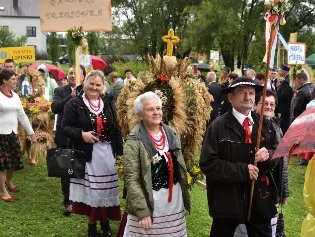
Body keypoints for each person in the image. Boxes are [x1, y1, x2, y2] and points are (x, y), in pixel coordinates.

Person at [200, 76, 278, 237]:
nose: (248, 97)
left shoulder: (265, 124)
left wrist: (269, 155)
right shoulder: (217, 127)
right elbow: (208, 163)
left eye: (251, 93)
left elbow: (277, 153)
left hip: (259, 199)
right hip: (227, 200)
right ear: (230, 97)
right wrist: (242, 170)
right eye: (241, 92)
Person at [62, 70, 123, 237]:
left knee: (106, 191)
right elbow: (65, 128)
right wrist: (82, 134)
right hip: (87, 155)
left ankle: (105, 223)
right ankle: (91, 225)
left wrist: (120, 152)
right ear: (85, 83)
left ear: (103, 86)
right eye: (91, 83)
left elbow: (116, 128)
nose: (94, 87)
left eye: (98, 85)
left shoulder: (109, 102)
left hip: (107, 153)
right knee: (93, 191)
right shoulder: (74, 104)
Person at [122, 92, 190, 236]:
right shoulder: (134, 140)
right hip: (150, 201)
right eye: (150, 109)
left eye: (158, 108)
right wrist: (142, 211)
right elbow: (132, 179)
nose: (156, 112)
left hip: (173, 202)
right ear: (140, 115)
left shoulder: (171, 132)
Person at [233, 90, 289, 237]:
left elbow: (281, 158)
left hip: (271, 185)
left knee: (267, 225)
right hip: (250, 185)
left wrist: (284, 190)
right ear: (255, 106)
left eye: (272, 104)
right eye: (265, 104)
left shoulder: (276, 124)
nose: (269, 107)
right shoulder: (249, 125)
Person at [0, 69, 36, 202]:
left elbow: (22, 115)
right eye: (13, 79)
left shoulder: (14, 96)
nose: (16, 82)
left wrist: (31, 132)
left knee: (14, 162)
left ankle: (9, 181)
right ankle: (3, 191)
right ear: (4, 80)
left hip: (11, 134)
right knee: (0, 164)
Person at [51, 65, 86, 216]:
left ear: (84, 76)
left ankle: (82, 198)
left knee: (82, 167)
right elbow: (55, 107)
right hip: (64, 135)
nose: (73, 75)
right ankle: (68, 201)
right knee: (66, 170)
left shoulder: (88, 90)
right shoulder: (60, 90)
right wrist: (69, 97)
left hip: (82, 136)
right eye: (71, 73)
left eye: (76, 73)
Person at [291, 72, 313, 166]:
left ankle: (303, 158)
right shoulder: (311, 87)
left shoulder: (303, 91)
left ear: (302, 79)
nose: (297, 82)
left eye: (298, 80)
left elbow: (297, 107)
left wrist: (294, 116)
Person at [275, 64, 293, 134]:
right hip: (286, 106)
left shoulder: (286, 81)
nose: (280, 72)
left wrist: (278, 91)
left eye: (281, 70)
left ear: (284, 71)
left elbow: (284, 94)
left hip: (284, 107)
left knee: (284, 124)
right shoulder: (287, 79)